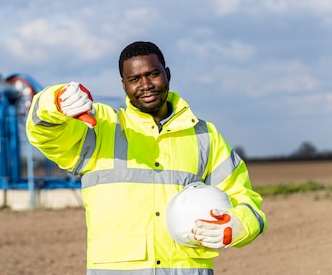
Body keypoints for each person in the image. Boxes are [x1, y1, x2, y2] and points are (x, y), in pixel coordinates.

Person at [26, 41, 267, 274]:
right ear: (123, 85)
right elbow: (43, 133)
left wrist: (238, 225)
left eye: (153, 74)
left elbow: (244, 198)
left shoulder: (205, 136)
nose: (146, 85)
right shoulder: (101, 128)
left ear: (168, 74)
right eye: (134, 79)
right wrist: (55, 103)